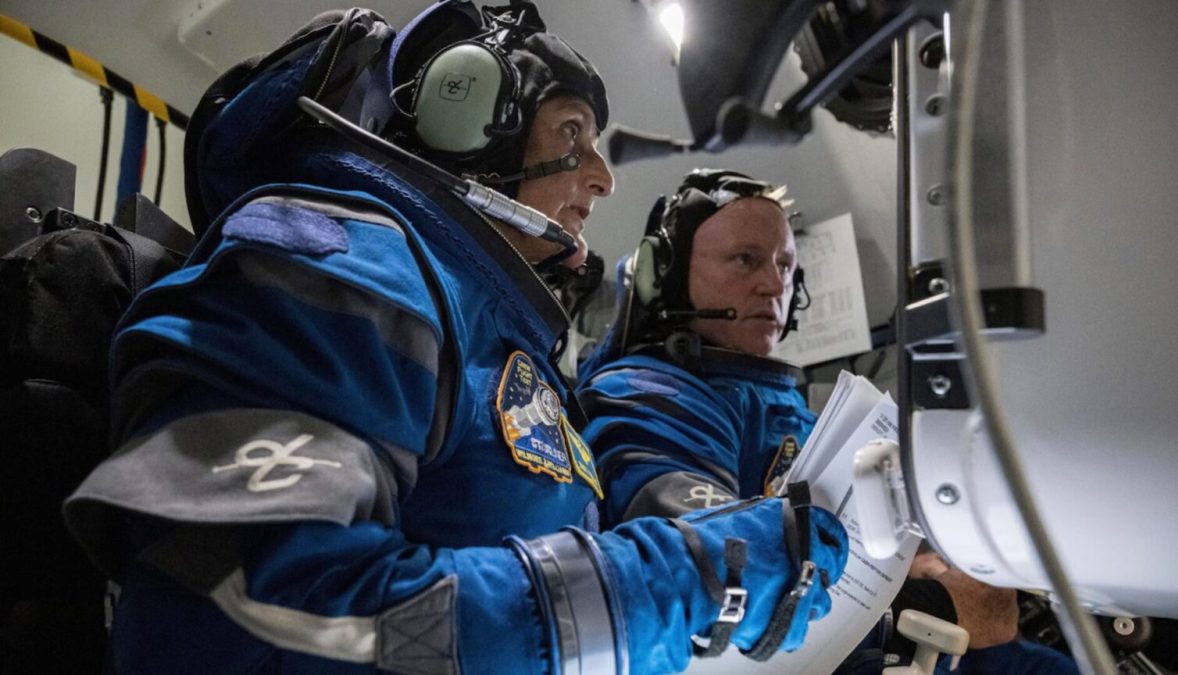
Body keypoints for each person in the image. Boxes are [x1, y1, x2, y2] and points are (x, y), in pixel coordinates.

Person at [63, 4, 848, 674]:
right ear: (465, 114)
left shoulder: (491, 329)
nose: (605, 177)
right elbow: (252, 612)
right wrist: (683, 579)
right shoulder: (342, 257)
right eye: (574, 128)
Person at [577, 168, 1072, 671]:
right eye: (745, 260)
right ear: (662, 275)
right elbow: (716, 571)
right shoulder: (645, 393)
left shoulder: (779, 402)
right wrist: (933, 607)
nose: (774, 284)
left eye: (786, 264)